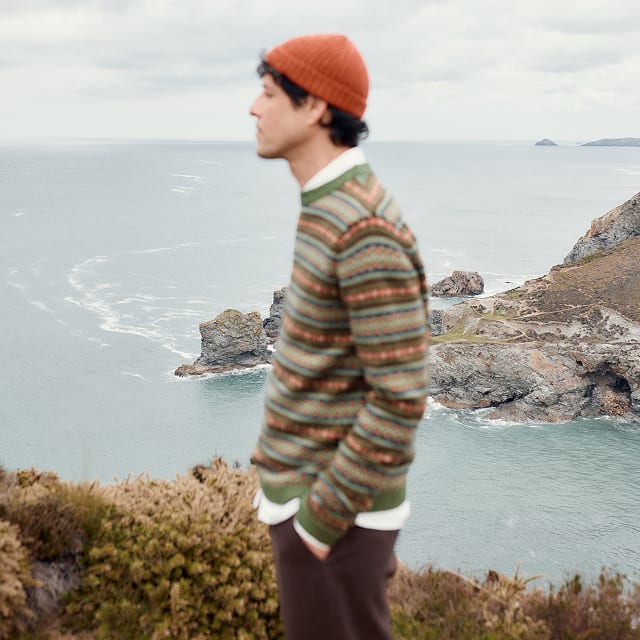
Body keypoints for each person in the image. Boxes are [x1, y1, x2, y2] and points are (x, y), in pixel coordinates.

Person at [249, 33, 430, 640]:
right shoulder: (329, 205)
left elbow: (400, 398)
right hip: (321, 512)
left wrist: (319, 523)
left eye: (268, 93)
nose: (254, 107)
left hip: (335, 522)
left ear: (315, 107)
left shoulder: (362, 226)